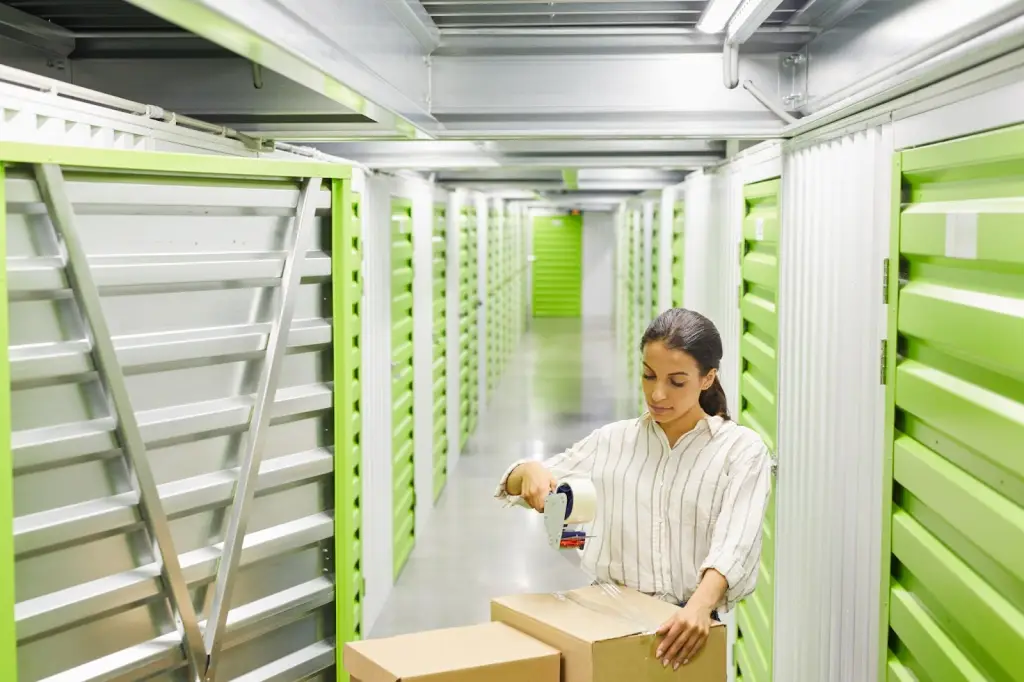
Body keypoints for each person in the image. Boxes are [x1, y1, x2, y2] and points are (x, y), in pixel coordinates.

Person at [496, 308, 772, 671]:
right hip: (605, 624)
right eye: (648, 375)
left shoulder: (741, 452)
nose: (657, 394)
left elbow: (736, 541)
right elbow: (519, 483)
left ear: (707, 379)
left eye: (676, 381)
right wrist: (528, 470)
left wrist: (700, 608)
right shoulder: (613, 441)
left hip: (689, 629)